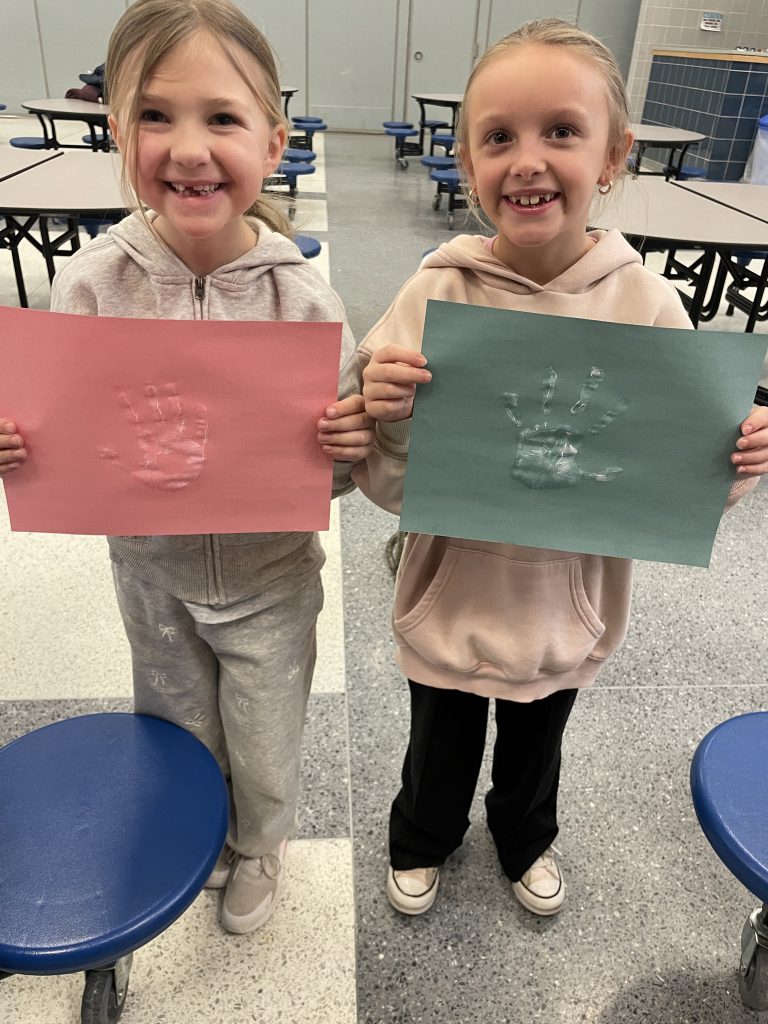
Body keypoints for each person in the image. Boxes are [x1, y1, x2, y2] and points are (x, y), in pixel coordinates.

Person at [353, 18, 768, 918]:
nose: (528, 161)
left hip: (566, 607)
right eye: (499, 137)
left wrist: (736, 459)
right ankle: (422, 837)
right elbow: (385, 485)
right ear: (468, 161)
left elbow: (679, 487)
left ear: (613, 155)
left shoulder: (648, 306)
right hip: (449, 596)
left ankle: (524, 837)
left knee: (537, 747)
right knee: (438, 741)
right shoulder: (434, 291)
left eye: (562, 131)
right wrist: (383, 422)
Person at [0, 0, 372, 935]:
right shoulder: (92, 282)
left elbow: (335, 473)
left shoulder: (304, 299)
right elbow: (59, 435)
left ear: (274, 141)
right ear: (117, 131)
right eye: (156, 116)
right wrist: (21, 448)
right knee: (175, 721)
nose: (189, 148)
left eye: (223, 117)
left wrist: (345, 449)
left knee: (265, 734)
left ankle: (260, 845)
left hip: (271, 580)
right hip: (150, 573)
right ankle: (193, 829)